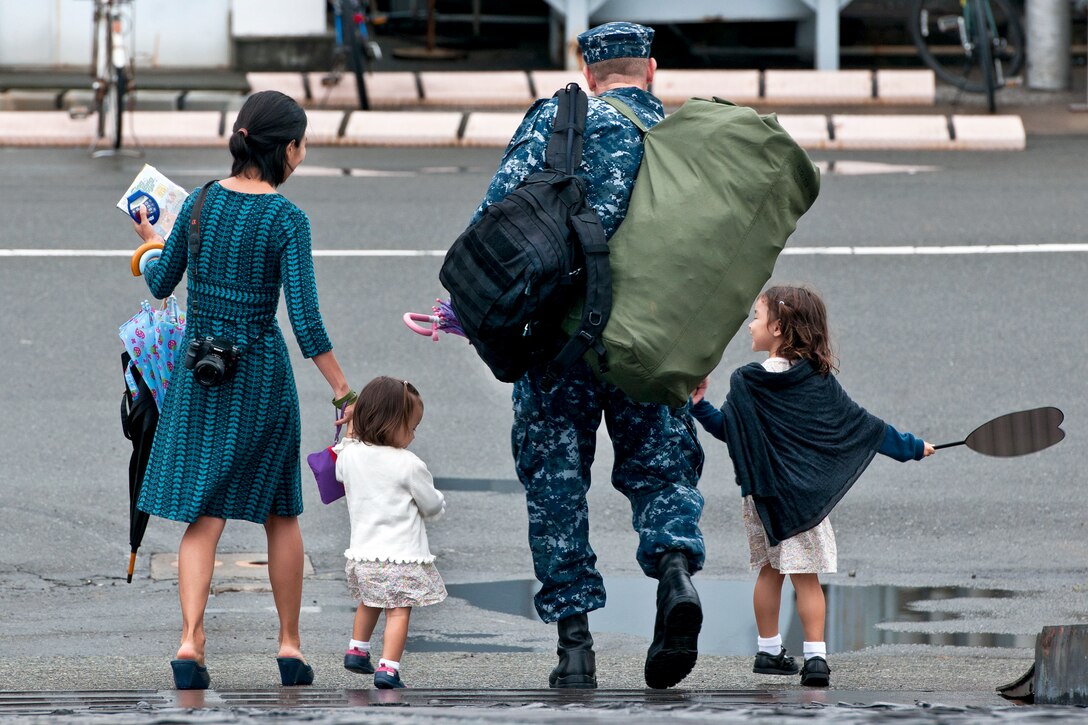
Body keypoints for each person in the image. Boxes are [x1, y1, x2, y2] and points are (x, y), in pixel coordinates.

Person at [470, 22, 706, 690]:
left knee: (556, 482)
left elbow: (495, 216)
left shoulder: (555, 120)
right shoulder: (682, 140)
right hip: (651, 339)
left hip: (558, 339)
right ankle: (675, 575)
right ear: (652, 70)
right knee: (661, 471)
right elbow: (712, 256)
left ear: (587, 67)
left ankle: (575, 646)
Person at [131, 90, 356, 690]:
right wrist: (343, 392)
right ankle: (288, 646)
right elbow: (305, 323)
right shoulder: (287, 219)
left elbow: (160, 282)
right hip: (260, 379)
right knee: (281, 514)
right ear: (285, 148)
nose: (303, 155)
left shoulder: (202, 202)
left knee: (204, 515)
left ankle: (189, 642)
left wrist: (152, 235)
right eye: (302, 145)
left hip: (199, 375)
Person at [690, 284, 936, 687]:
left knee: (770, 572)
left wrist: (700, 407)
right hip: (804, 501)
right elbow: (864, 427)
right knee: (807, 578)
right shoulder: (817, 380)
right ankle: (816, 659)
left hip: (764, 497)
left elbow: (732, 433)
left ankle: (769, 651)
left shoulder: (747, 382)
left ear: (780, 328)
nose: (750, 324)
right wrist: (912, 447)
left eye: (756, 316)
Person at [333, 376, 446, 690]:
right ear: (393, 424)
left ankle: (357, 648)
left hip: (363, 555)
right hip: (402, 557)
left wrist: (353, 428)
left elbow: (343, 456)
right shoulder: (408, 464)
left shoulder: (350, 456)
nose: (412, 435)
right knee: (398, 611)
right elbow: (432, 505)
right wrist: (439, 504)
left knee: (369, 601)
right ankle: (388, 669)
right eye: (411, 426)